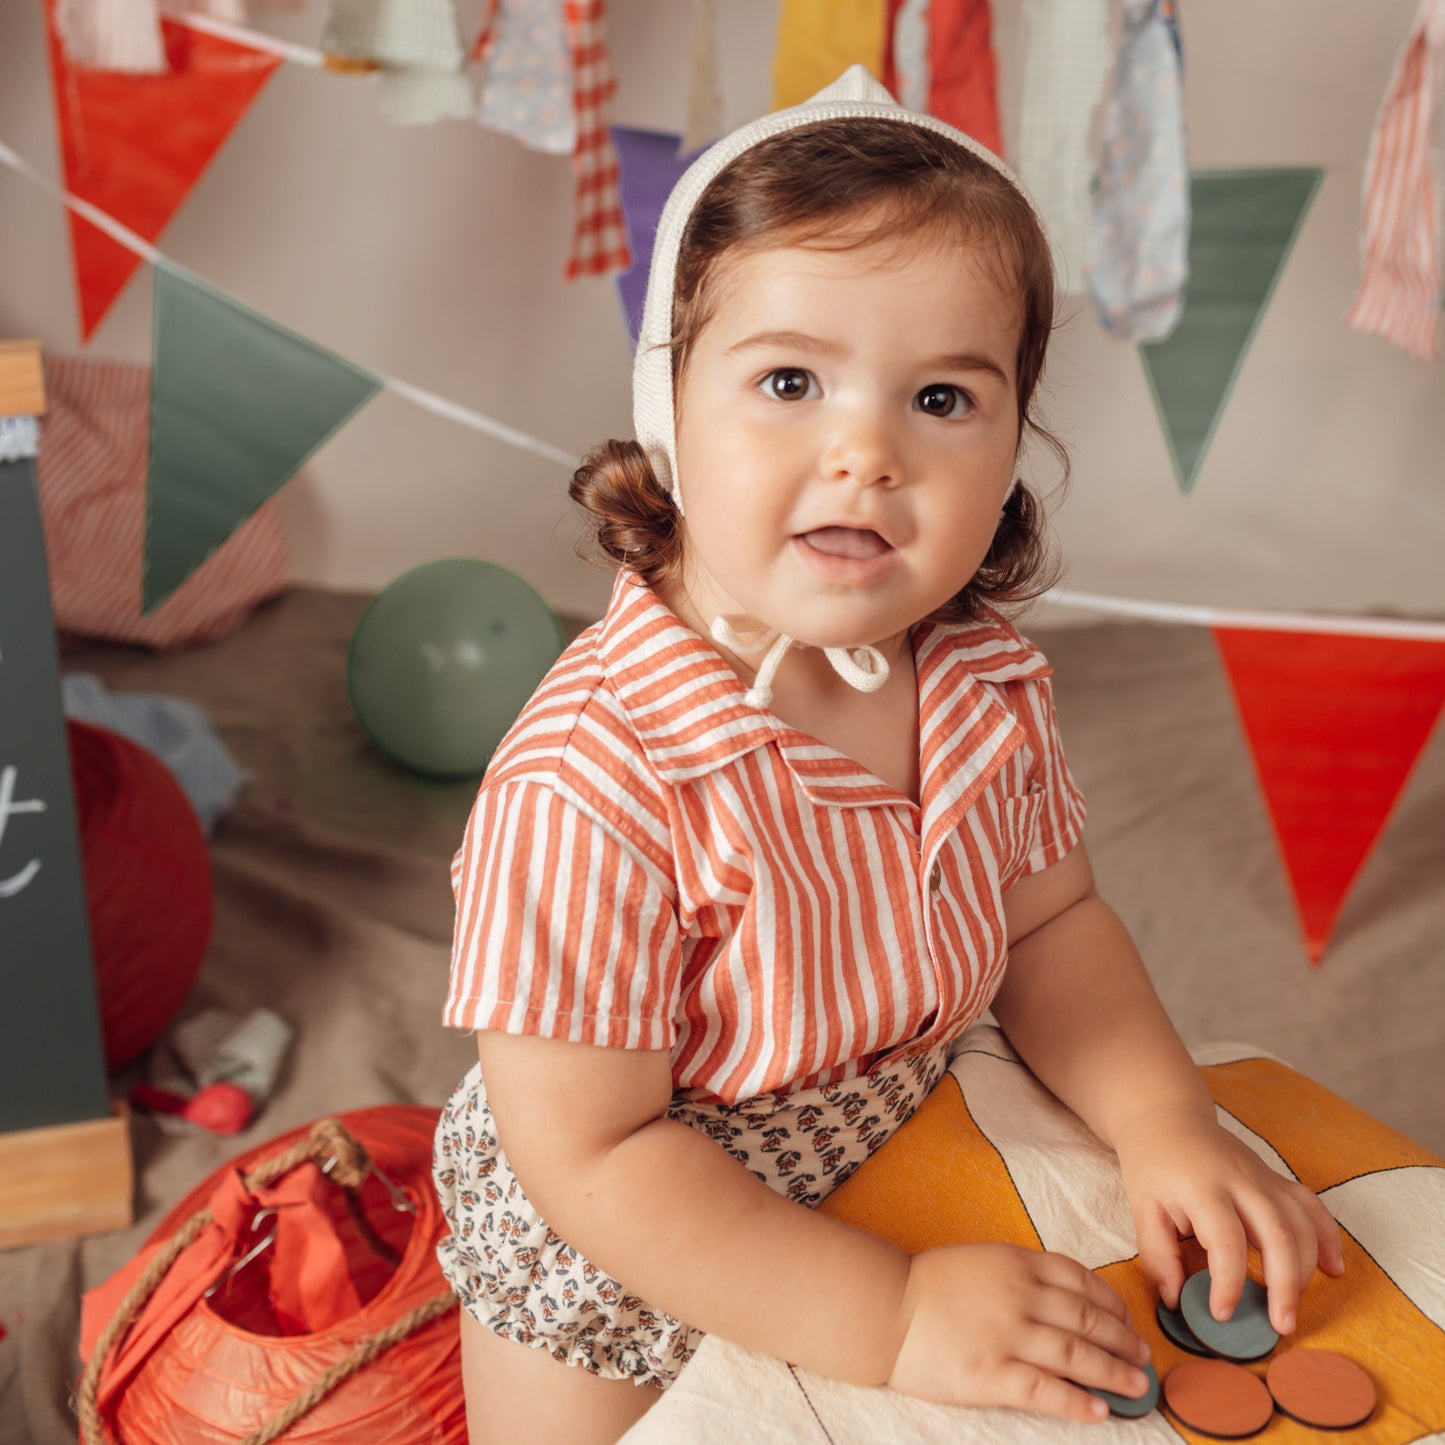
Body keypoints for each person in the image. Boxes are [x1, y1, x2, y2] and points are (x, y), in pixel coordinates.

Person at [432, 67, 1343, 1445]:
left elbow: (1049, 923)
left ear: (1013, 440)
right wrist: (896, 1313)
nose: (864, 451)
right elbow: (593, 1155)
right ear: (671, 410)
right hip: (640, 1215)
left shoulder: (977, 678)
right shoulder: (592, 780)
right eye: (789, 380)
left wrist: (1163, 1120)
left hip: (892, 1097)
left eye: (941, 399)